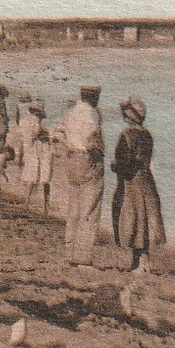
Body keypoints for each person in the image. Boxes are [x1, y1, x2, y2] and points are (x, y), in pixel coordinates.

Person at [111, 97, 165, 274]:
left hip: (131, 181)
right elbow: (145, 160)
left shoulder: (126, 135)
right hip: (147, 179)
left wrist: (114, 167)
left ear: (130, 115)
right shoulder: (147, 135)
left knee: (133, 218)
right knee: (145, 219)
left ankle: (137, 263)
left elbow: (123, 162)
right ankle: (143, 261)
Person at [60, 85, 105, 267]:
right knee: (90, 208)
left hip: (72, 159)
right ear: (95, 97)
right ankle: (83, 257)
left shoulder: (72, 113)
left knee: (74, 208)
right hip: (88, 159)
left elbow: (61, 133)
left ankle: (69, 252)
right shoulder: (92, 114)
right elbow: (94, 140)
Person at [15, 102, 53, 211]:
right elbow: (36, 133)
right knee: (44, 178)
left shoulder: (24, 121)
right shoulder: (35, 122)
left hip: (31, 151)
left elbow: (22, 140)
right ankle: (46, 205)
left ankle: (27, 203)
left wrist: (20, 155)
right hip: (39, 151)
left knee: (31, 178)